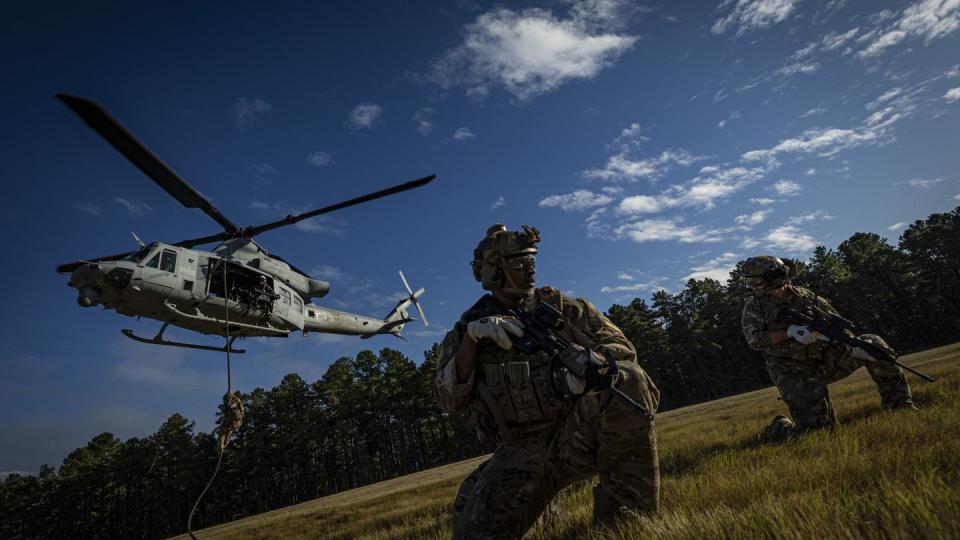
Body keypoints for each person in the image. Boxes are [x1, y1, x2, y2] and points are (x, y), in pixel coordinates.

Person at [436, 224, 661, 538]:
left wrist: (591, 365)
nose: (530, 269)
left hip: (576, 434)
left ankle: (626, 521)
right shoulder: (466, 331)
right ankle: (543, 514)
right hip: (519, 454)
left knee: (627, 379)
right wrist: (472, 342)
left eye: (532, 261)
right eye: (518, 262)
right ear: (494, 271)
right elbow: (449, 400)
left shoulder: (566, 310)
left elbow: (624, 351)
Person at [740, 255, 917, 441]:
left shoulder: (806, 297)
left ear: (773, 275)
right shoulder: (754, 308)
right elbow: (755, 341)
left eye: (756, 280)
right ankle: (781, 427)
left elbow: (836, 324)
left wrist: (851, 344)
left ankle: (900, 405)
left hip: (825, 359)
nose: (753, 285)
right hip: (793, 372)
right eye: (750, 281)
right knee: (819, 432)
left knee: (873, 345)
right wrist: (789, 332)